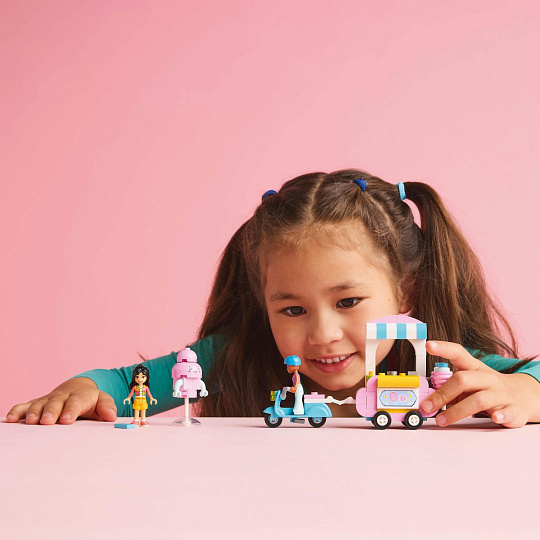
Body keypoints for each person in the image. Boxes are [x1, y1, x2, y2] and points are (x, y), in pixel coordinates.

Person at [6, 169, 540, 428]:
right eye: (292, 309)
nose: (323, 333)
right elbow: (127, 385)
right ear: (262, 301)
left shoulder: (441, 366)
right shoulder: (234, 357)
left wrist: (523, 390)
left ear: (407, 290)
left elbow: (530, 380)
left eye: (348, 302)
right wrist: (83, 389)